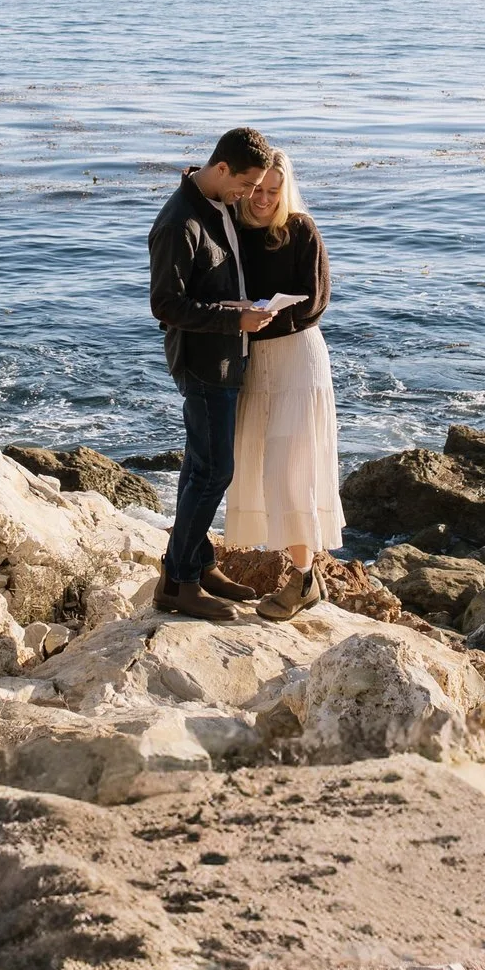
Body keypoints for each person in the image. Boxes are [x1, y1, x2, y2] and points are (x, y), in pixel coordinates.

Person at [147, 126, 279, 621]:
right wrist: (233, 319)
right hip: (204, 364)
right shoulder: (180, 223)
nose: (249, 196)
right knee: (214, 471)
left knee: (198, 468)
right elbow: (165, 304)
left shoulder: (216, 204)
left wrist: (239, 310)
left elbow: (213, 281)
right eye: (246, 185)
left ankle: (199, 564)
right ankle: (176, 583)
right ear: (221, 169)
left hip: (226, 355)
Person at [226, 150, 339, 621]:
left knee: (291, 469)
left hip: (296, 358)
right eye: (258, 190)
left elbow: (316, 301)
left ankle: (305, 578)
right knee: (254, 464)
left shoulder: (300, 229)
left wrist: (260, 319)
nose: (265, 199)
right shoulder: (232, 228)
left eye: (274, 191)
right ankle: (288, 570)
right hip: (252, 360)